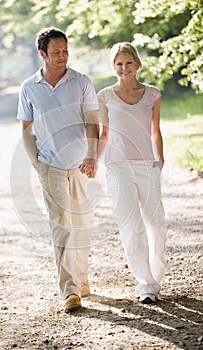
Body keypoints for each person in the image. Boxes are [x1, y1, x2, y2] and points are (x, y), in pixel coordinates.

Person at [17, 27, 99, 312]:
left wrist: (92, 156)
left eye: (65, 51)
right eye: (56, 52)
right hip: (49, 165)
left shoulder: (81, 82)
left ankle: (82, 280)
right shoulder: (29, 87)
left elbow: (92, 122)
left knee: (82, 225)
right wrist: (35, 162)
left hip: (80, 164)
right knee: (61, 226)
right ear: (42, 54)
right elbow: (26, 129)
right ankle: (70, 291)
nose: (63, 56)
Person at [98, 42, 167, 304]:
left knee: (156, 223)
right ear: (113, 66)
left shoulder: (152, 94)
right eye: (118, 64)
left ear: (137, 64)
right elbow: (104, 133)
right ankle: (146, 284)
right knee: (130, 224)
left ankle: (156, 274)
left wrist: (160, 157)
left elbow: (155, 131)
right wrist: (94, 159)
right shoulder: (104, 95)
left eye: (128, 63)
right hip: (117, 166)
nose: (124, 68)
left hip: (147, 164)